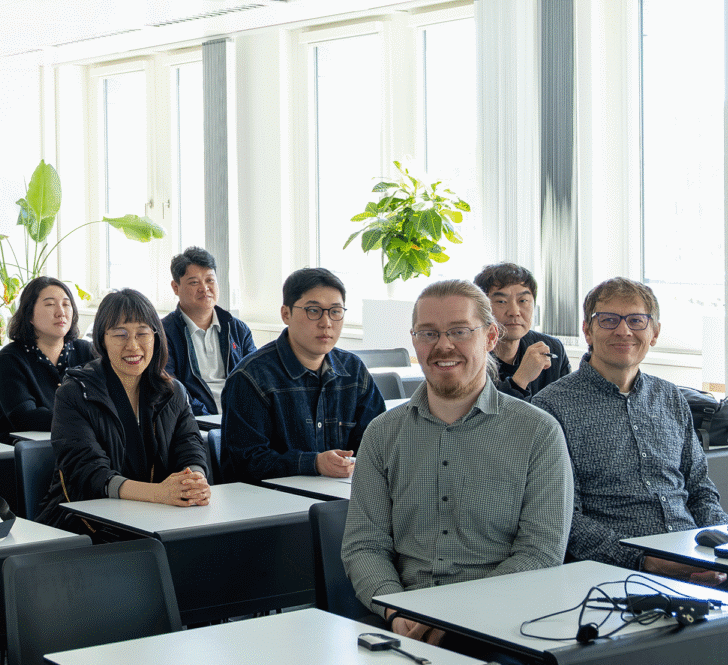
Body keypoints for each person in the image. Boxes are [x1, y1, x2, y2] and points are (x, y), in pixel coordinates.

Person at [342, 280, 573, 655]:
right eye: (428, 333)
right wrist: (395, 609)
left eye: (459, 331)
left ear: (490, 337)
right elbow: (365, 545)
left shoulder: (538, 433)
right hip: (405, 622)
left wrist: (454, 614)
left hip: (504, 626)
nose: (443, 345)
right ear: (414, 340)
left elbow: (541, 552)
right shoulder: (383, 433)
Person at [532, 277, 728, 584]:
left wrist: (721, 549)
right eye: (608, 320)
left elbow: (701, 490)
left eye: (636, 320)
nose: (623, 331)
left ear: (654, 333)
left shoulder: (671, 397)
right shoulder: (551, 406)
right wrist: (649, 562)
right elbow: (563, 519)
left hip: (696, 557)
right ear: (588, 331)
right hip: (614, 574)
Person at [38, 289, 210, 536]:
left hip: (159, 518)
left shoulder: (173, 392)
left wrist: (194, 481)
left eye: (143, 333)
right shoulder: (75, 393)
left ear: (156, 337)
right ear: (102, 340)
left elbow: (190, 446)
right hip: (84, 525)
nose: (133, 345)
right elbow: (90, 475)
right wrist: (159, 494)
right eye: (120, 334)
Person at [221, 267, 384, 481]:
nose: (326, 322)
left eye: (335, 311)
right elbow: (246, 461)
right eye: (314, 311)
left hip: (344, 496)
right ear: (286, 314)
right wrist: (314, 463)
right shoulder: (251, 377)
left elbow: (380, 441)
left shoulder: (353, 370)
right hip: (273, 501)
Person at [0, 277, 97, 443]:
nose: (61, 312)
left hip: (78, 441)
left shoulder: (86, 351)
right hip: (25, 449)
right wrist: (84, 417)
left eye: (66, 304)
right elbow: (24, 417)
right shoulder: (10, 358)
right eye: (49, 304)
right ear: (29, 315)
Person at [161, 246, 256, 415]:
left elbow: (256, 378)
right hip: (192, 421)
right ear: (175, 287)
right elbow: (169, 386)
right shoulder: (163, 333)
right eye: (194, 282)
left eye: (210, 280)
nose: (204, 288)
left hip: (241, 418)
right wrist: (205, 417)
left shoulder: (238, 330)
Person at [474, 262, 570, 399]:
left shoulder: (552, 348)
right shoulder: (469, 355)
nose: (514, 312)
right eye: (501, 301)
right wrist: (521, 379)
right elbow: (481, 418)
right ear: (481, 309)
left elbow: (565, 407)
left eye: (523, 300)